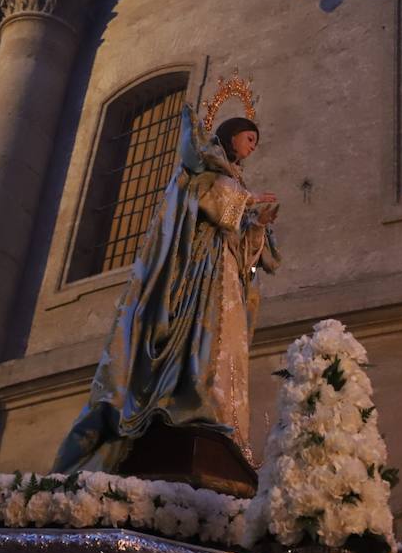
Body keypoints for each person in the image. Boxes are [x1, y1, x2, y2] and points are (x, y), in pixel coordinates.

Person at [52, 104, 280, 475]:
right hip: (200, 276)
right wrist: (247, 202)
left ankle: (221, 420)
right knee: (202, 339)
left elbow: (244, 255)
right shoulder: (205, 170)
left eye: (256, 142)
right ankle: (192, 401)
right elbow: (206, 206)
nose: (253, 146)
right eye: (249, 138)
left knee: (227, 348)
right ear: (232, 135)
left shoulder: (235, 181)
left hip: (225, 275)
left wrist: (255, 227)